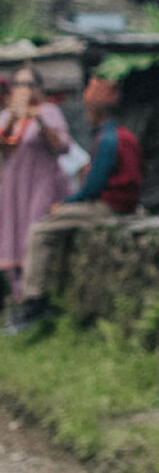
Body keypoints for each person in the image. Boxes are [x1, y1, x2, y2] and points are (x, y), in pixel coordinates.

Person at [16, 72, 144, 327]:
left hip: (109, 207)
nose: (85, 112)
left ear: (97, 109)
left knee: (41, 230)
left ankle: (34, 299)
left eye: (88, 107)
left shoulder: (109, 140)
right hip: (119, 204)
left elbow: (94, 187)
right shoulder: (118, 135)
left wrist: (67, 204)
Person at [1, 64, 73, 332]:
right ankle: (17, 299)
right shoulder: (8, 117)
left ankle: (36, 299)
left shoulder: (49, 113)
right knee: (11, 236)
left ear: (39, 89)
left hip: (41, 185)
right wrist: (13, 118)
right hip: (13, 188)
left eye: (29, 85)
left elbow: (62, 146)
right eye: (18, 85)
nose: (23, 90)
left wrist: (38, 119)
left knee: (34, 233)